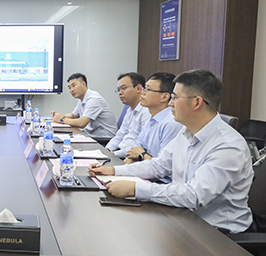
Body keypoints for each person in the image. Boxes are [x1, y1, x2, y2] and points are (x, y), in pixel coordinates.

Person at [89, 69, 253, 234]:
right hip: (182, 217)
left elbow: (194, 195)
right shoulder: (185, 133)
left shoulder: (227, 146)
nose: (170, 104)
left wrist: (136, 189)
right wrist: (113, 171)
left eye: (175, 98)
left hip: (218, 233)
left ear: (196, 102)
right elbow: (158, 166)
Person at [124, 72, 183, 167]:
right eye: (144, 88)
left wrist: (142, 155)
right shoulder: (151, 119)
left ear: (164, 97)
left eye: (148, 89)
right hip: (145, 170)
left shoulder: (171, 123)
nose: (142, 93)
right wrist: (116, 170)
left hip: (158, 175)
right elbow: (133, 153)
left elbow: (163, 167)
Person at [52, 73, 117, 139]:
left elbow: (82, 123)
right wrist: (59, 116)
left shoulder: (94, 99)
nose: (71, 90)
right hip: (91, 134)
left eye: (74, 86)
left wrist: (62, 119)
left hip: (104, 138)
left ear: (83, 84)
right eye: (69, 88)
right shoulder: (82, 99)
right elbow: (73, 115)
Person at [105, 72, 150, 158]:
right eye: (118, 90)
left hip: (131, 158)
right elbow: (120, 135)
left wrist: (114, 154)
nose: (120, 93)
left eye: (123, 88)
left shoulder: (147, 111)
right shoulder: (130, 110)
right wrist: (107, 150)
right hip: (120, 153)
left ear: (138, 88)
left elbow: (141, 145)